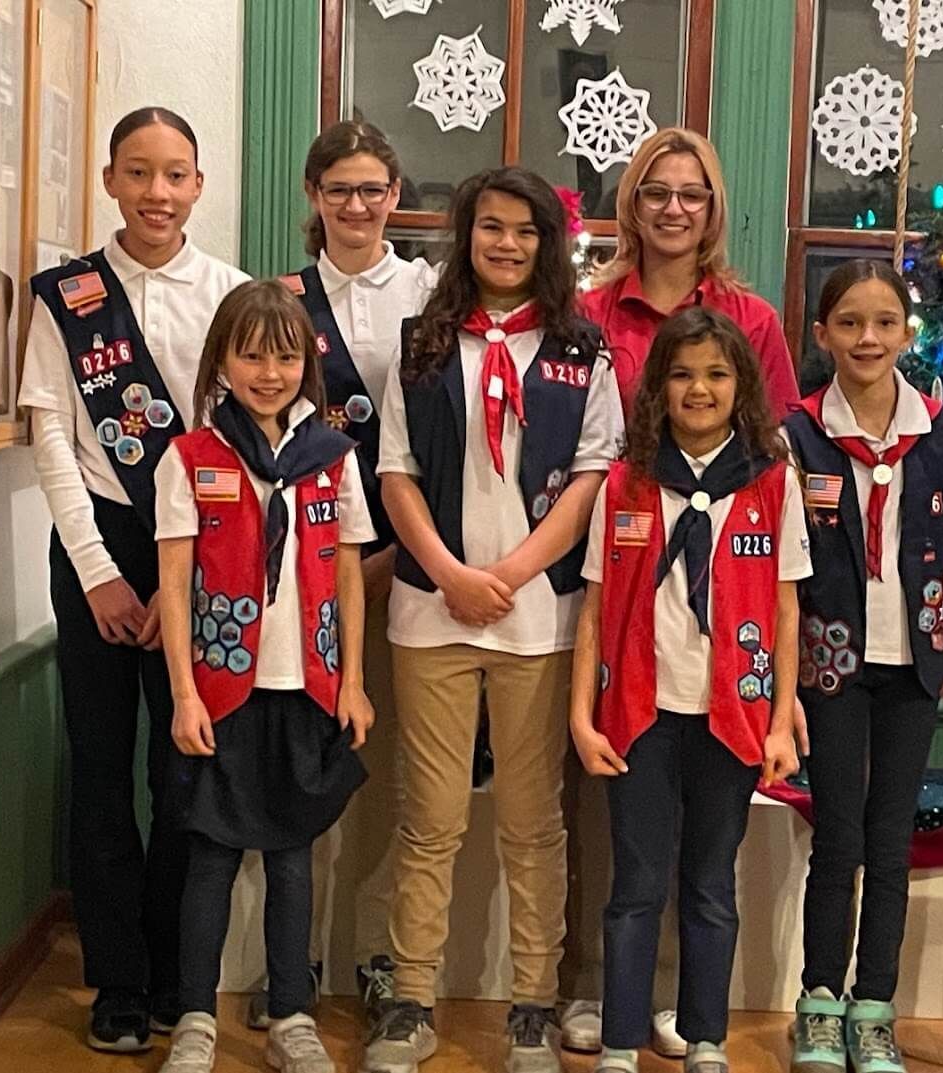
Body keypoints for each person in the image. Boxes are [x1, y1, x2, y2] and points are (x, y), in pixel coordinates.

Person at [364, 166, 623, 1073]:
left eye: (523, 231)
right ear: (465, 237)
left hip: (534, 617)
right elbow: (392, 469)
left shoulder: (581, 350)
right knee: (428, 817)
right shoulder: (421, 345)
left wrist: (509, 573)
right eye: (489, 229)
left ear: (547, 243)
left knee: (530, 820)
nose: (505, 245)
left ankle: (531, 1003)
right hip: (429, 614)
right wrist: (445, 573)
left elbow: (594, 476)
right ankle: (409, 999)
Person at [17, 106, 248, 1052]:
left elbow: (236, 436)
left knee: (183, 770)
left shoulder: (232, 292)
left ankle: (171, 974)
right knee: (103, 771)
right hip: (95, 550)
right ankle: (113, 978)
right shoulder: (64, 297)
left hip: (196, 546)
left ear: (199, 185)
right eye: (140, 173)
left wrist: (178, 580)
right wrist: (104, 574)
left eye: (177, 174)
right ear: (110, 180)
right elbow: (53, 438)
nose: (159, 192)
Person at [570, 306, 809, 1073]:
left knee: (710, 882)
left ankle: (705, 1036)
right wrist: (582, 713)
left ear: (741, 385)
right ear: (657, 388)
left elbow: (784, 608)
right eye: (680, 374)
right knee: (633, 884)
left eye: (715, 373)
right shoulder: (626, 483)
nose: (697, 388)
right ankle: (619, 1037)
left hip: (730, 717)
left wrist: (777, 723)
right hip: (639, 714)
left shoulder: (772, 484)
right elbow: (597, 605)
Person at [243, 119, 436, 1032]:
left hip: (403, 566)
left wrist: (391, 555)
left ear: (395, 195)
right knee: (299, 770)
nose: (356, 205)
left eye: (373, 188)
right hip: (298, 576)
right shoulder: (278, 299)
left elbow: (437, 444)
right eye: (338, 189)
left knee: (382, 771)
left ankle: (371, 949)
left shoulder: (432, 296)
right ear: (313, 198)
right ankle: (294, 958)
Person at [154, 279, 375, 1073]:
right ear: (222, 360)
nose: (269, 372)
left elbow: (348, 576)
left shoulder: (334, 461)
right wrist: (182, 692)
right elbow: (173, 584)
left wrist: (352, 680)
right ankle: (194, 1018)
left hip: (308, 688)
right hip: (220, 691)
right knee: (210, 859)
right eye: (250, 354)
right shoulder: (192, 458)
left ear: (307, 365)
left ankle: (291, 1015)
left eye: (285, 355)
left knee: (292, 859)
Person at [781, 261, 943, 1073]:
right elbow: (782, 574)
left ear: (909, 332)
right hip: (829, 665)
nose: (866, 338)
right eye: (848, 323)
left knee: (889, 839)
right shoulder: (795, 433)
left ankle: (874, 1006)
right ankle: (819, 1002)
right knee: (836, 835)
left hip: (914, 664)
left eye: (883, 322)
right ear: (822, 333)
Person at [580, 127, 798, 422]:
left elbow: (778, 441)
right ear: (633, 205)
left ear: (712, 210)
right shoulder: (586, 315)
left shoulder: (755, 322)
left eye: (691, 196)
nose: (673, 209)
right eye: (656, 194)